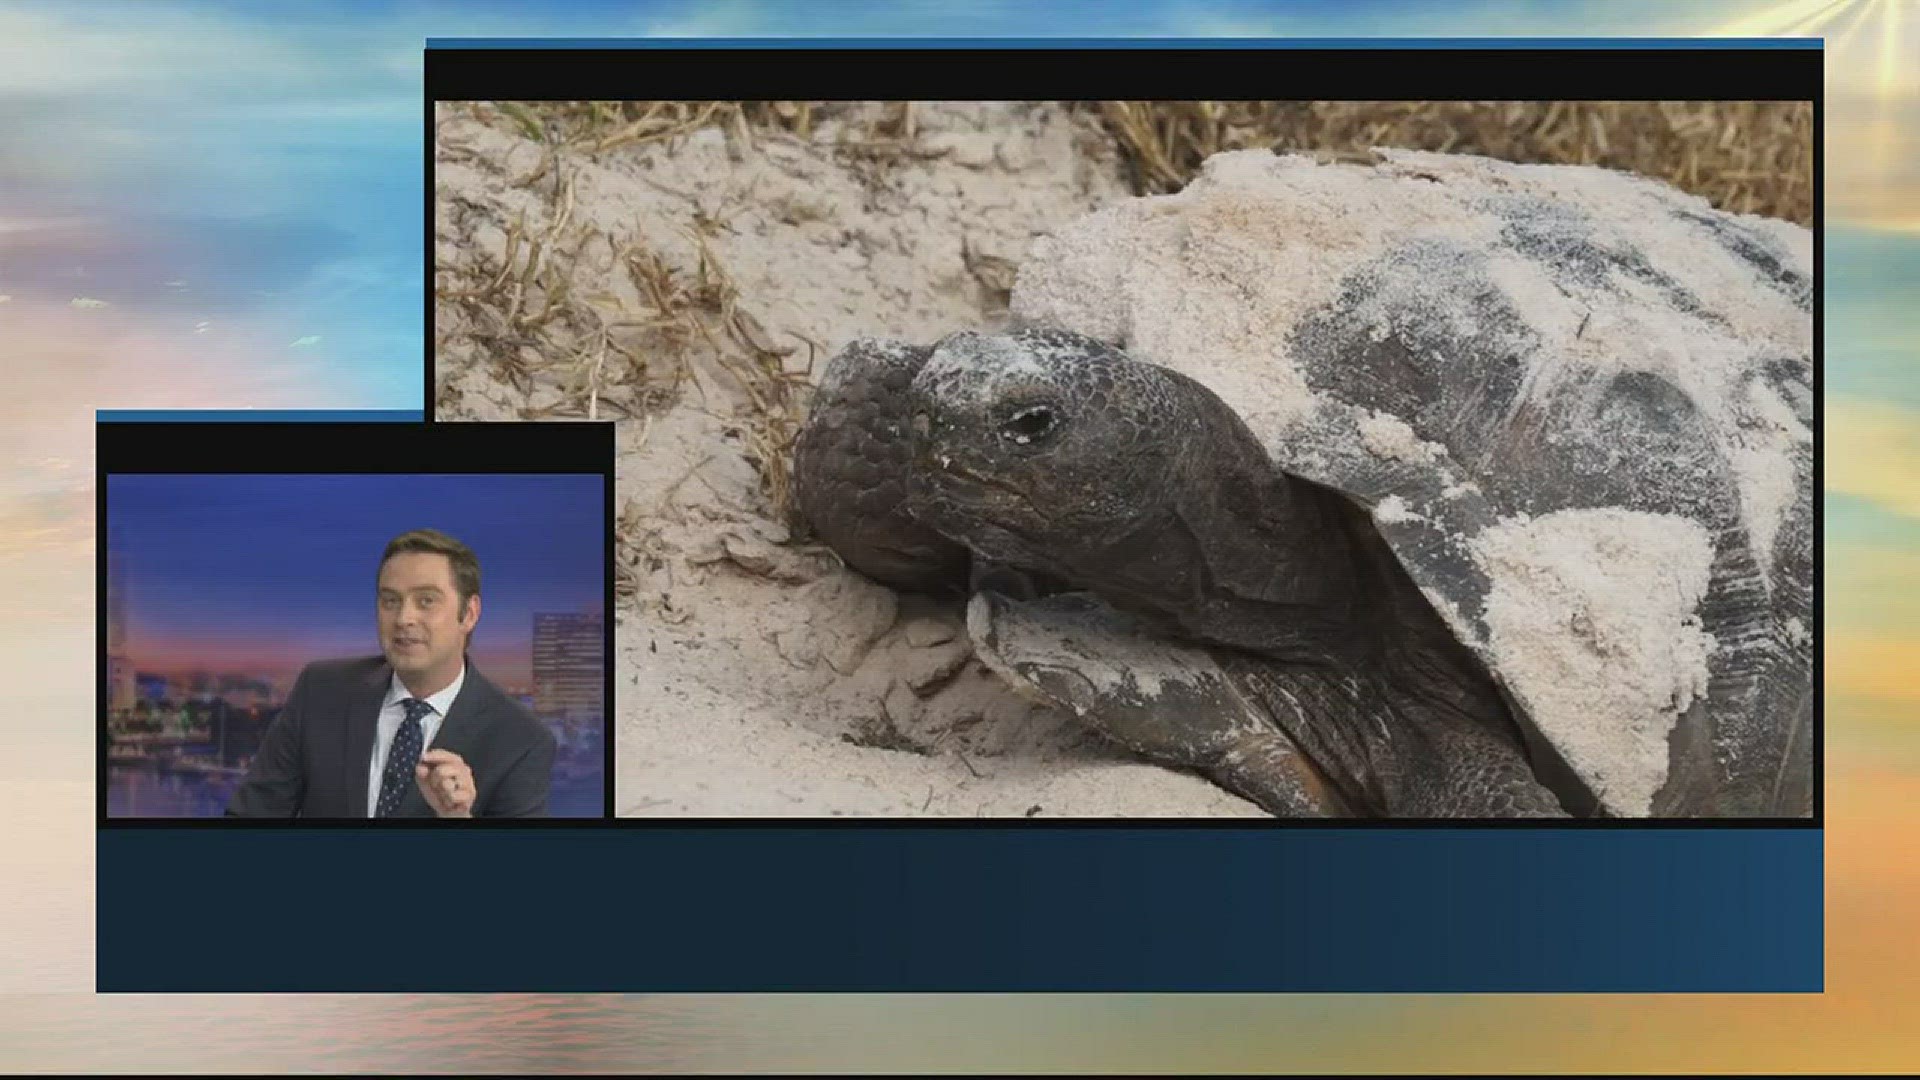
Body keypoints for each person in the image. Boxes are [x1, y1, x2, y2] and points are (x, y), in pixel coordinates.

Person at [225, 528, 555, 818]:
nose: (403, 618)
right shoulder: (321, 690)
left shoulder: (521, 741)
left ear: (469, 614)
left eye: (426, 601)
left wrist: (456, 819)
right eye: (390, 601)